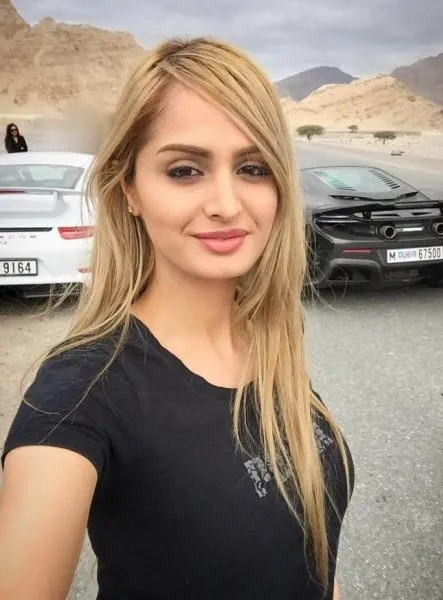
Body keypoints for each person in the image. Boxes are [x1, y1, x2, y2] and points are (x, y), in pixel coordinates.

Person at [0, 37, 354, 600]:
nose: (227, 204)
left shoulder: (268, 337)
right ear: (130, 190)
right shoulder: (83, 389)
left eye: (253, 168)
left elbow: (313, 552)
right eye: (185, 170)